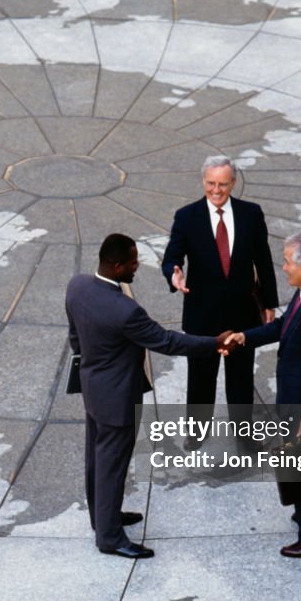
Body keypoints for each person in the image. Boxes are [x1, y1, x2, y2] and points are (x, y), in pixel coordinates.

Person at [66, 233, 225, 559]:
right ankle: (109, 538)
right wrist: (214, 343)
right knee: (112, 465)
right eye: (133, 262)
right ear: (117, 265)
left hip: (93, 388)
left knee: (96, 459)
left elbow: (75, 337)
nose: (137, 266)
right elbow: (168, 342)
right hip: (117, 398)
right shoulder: (125, 310)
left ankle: (103, 517)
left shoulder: (78, 286)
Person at [225, 232, 301, 558]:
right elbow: (281, 328)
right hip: (295, 393)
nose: (284, 267)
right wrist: (245, 337)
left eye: (288, 262)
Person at [161, 156, 278, 447]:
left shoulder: (251, 214)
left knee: (240, 380)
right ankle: (196, 433)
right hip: (203, 315)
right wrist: (173, 274)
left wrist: (269, 304)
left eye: (223, 184)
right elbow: (172, 256)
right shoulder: (187, 217)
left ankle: (244, 434)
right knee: (200, 379)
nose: (216, 190)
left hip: (243, 313)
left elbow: (263, 261)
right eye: (211, 183)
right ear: (203, 181)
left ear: (233, 183)